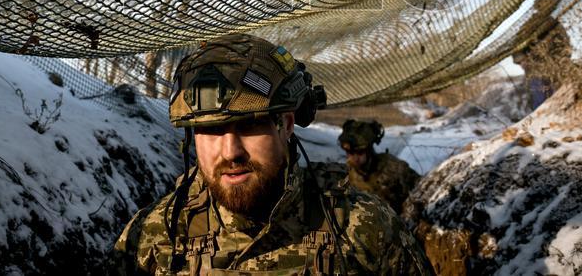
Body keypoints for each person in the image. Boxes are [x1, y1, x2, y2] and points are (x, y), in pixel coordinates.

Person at [113, 33, 435, 275]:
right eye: (209, 131)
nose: (231, 151)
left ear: (287, 124)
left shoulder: (363, 226)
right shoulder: (154, 236)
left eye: (250, 125)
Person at [337, 119, 420, 214]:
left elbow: (420, 190)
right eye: (350, 153)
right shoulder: (345, 176)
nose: (354, 158)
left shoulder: (393, 167)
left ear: (368, 150)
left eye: (359, 152)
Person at [512, 0, 571, 110]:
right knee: (541, 104)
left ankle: (556, 123)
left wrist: (564, 60)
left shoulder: (555, 24)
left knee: (559, 100)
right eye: (545, 5)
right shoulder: (529, 25)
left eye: (550, 6)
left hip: (555, 68)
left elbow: (565, 44)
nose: (548, 8)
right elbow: (517, 45)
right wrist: (522, 60)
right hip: (535, 70)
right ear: (538, 7)